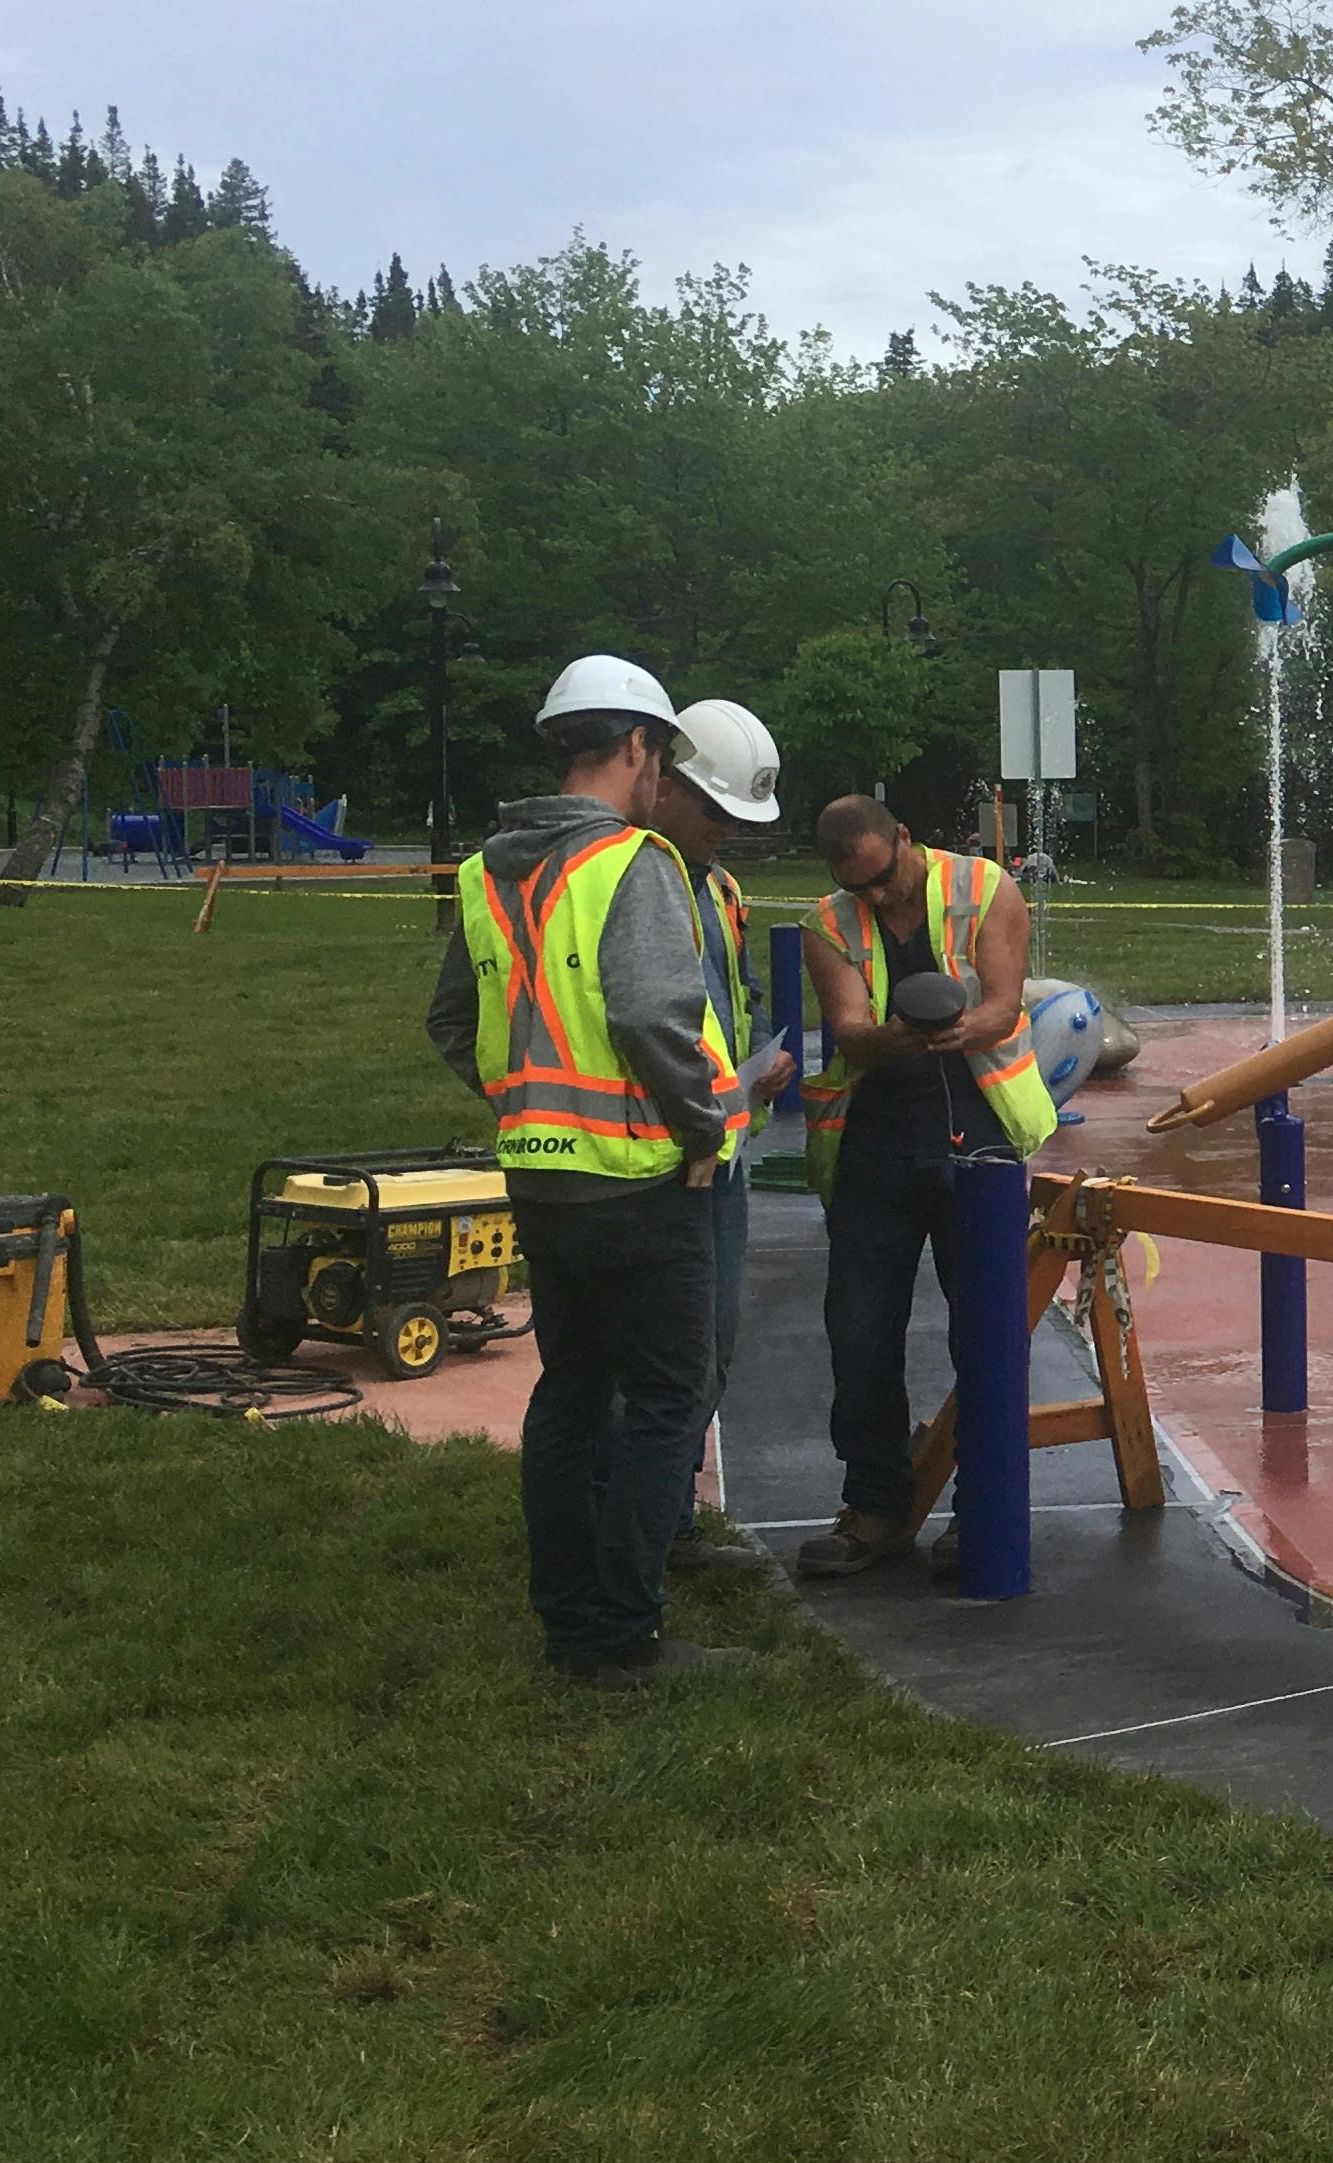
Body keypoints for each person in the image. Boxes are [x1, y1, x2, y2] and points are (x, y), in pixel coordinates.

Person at [425, 655, 744, 1690]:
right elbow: (655, 1016)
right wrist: (700, 1131)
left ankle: (569, 1622)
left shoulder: (488, 870)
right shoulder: (629, 862)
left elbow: (450, 1024)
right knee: (664, 1400)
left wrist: (525, 1102)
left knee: (569, 1397)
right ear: (639, 748)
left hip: (540, 1180)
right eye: (662, 759)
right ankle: (623, 1630)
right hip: (640, 1183)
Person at [794, 792, 1052, 1576]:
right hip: (876, 1145)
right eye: (860, 888)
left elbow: (1005, 1005)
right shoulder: (826, 926)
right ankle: (877, 1505)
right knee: (860, 1329)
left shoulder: (984, 888)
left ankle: (985, 1505)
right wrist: (895, 1037)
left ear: (907, 838)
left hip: (981, 1133)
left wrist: (958, 1027)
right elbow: (848, 1034)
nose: (879, 898)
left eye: (887, 878)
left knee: (985, 1329)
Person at [641, 695, 794, 1580]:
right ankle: (645, 1535)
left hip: (720, 1151)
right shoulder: (636, 879)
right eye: (716, 811)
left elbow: (719, 1008)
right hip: (658, 1160)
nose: (726, 833)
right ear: (664, 781)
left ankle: (668, 1521)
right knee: (669, 1354)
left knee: (711, 1346)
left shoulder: (720, 889)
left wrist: (748, 1074)